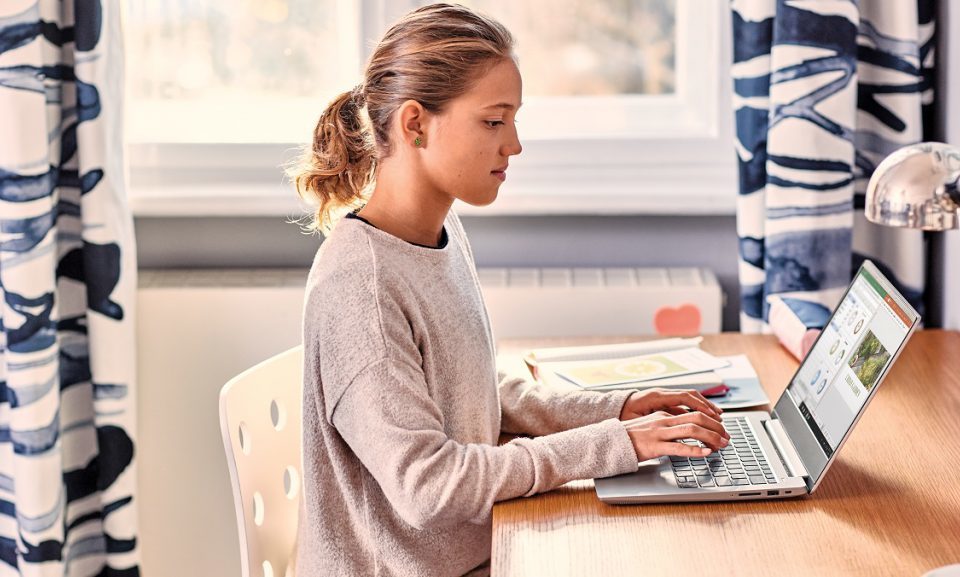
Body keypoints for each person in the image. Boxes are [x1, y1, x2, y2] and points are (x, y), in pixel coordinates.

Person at [289, 4, 730, 576]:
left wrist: (616, 413)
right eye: (494, 122)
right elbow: (430, 486)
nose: (514, 144)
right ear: (415, 124)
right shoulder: (361, 286)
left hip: (484, 548)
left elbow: (471, 390)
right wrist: (617, 445)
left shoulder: (438, 234)